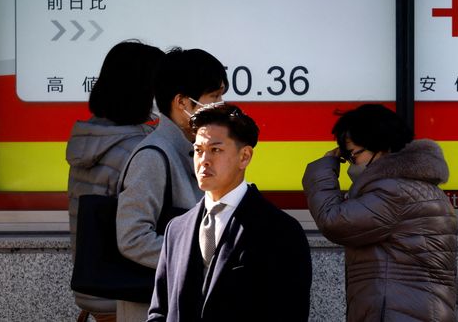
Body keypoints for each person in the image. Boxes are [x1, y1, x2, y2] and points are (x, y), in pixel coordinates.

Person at [148, 103, 312, 321]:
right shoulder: (177, 229)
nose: (203, 160)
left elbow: (289, 312)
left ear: (244, 156)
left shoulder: (281, 230)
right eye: (198, 150)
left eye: (215, 150)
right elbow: (159, 311)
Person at [302, 104, 457, 321]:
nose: (351, 164)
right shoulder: (416, 186)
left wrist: (323, 168)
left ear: (382, 146)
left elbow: (333, 220)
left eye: (355, 154)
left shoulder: (395, 191)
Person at [116, 47, 227, 322]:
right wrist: (196, 256)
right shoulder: (153, 157)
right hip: (149, 305)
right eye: (213, 96)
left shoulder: (192, 151)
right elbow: (132, 238)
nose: (221, 105)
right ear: (183, 103)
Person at [66, 41, 164, 322]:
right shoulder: (137, 149)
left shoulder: (92, 140)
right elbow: (138, 234)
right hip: (126, 295)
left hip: (96, 288)